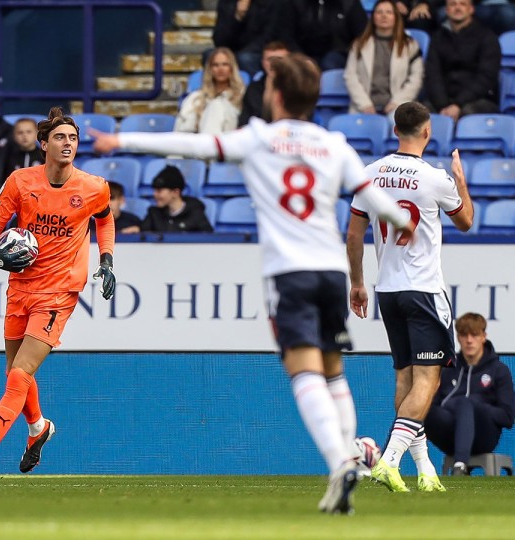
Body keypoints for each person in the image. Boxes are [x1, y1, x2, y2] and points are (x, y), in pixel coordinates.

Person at [93, 53, 413, 514]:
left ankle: (340, 460)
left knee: (303, 372)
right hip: (331, 272)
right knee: (333, 370)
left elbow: (192, 146)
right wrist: (401, 220)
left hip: (289, 273)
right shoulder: (334, 143)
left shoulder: (260, 138)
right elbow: (374, 198)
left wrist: (120, 139)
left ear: (276, 95)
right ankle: (348, 461)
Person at [0, 107, 116, 483]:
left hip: (59, 292)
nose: (67, 143)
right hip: (21, 285)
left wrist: (106, 259)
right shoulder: (20, 182)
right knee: (13, 372)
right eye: (60, 137)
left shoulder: (92, 187)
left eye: (72, 138)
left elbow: (104, 218)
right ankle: (38, 428)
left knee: (19, 373)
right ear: (44, 144)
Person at [346, 101, 474, 493]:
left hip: (387, 289)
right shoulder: (434, 178)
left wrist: (357, 283)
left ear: (395, 130)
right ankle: (388, 460)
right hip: (423, 289)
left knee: (405, 376)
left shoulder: (370, 174)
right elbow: (466, 221)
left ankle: (425, 471)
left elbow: (353, 235)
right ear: (427, 131)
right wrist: (460, 180)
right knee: (429, 381)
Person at [425, 312, 515, 475]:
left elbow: (508, 417)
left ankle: (460, 466)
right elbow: (435, 407)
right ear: (458, 338)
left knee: (465, 403)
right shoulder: (448, 369)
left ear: (483, 337)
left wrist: (475, 406)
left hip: (484, 437)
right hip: (450, 436)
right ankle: (394, 459)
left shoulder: (499, 371)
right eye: (464, 335)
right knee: (421, 407)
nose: (469, 340)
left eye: (474, 335)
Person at [344, 0, 424, 117]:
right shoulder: (359, 44)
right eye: (379, 12)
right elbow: (350, 76)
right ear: (373, 17)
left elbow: (416, 78)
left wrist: (397, 102)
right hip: (364, 107)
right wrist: (365, 105)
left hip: (398, 106)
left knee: (397, 124)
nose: (384, 16)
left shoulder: (410, 45)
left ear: (396, 17)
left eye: (389, 12)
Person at [424, 0, 501, 121]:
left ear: (471, 9)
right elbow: (433, 74)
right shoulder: (437, 37)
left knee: (466, 114)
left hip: (478, 100)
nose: (457, 8)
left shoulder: (487, 37)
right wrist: (442, 105)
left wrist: (458, 104)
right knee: (415, 115)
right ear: (446, 10)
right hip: (443, 101)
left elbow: (486, 78)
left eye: (463, 4)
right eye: (453, 4)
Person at [281, 0, 368, 71]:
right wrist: (301, 58)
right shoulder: (295, 3)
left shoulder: (349, 3)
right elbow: (287, 36)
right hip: (301, 52)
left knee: (330, 64)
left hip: (340, 52)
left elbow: (363, 35)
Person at [176, 47, 245, 135]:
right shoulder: (196, 97)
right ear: (210, 69)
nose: (220, 69)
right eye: (215, 65)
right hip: (198, 140)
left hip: (229, 140)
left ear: (232, 67)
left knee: (216, 105)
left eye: (225, 64)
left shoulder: (243, 95)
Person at [212, 0, 282, 75]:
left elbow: (269, 36)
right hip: (235, 49)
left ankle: (254, 85)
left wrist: (244, 51)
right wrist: (238, 17)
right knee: (210, 55)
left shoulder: (272, 3)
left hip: (262, 50)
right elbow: (219, 40)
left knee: (245, 58)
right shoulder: (227, 2)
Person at [140, 165, 213, 233]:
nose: (154, 194)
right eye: (154, 190)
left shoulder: (195, 214)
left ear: (175, 192)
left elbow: (208, 239)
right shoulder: (154, 214)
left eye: (159, 191)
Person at [238, 41, 290, 127]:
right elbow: (246, 122)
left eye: (280, 59)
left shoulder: (297, 87)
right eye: (270, 59)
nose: (275, 63)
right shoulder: (253, 89)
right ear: (263, 62)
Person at [0, 117, 42, 194]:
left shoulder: (45, 156)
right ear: (14, 136)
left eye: (29, 132)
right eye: (20, 132)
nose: (24, 136)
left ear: (37, 134)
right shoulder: (8, 157)